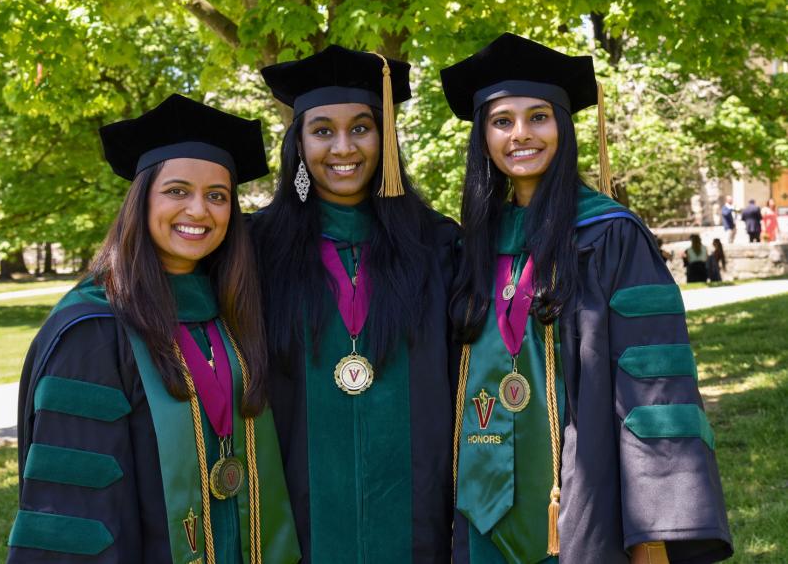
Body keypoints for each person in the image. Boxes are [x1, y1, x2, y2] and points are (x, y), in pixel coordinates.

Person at [441, 33, 732, 564]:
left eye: (539, 118)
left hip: (579, 501)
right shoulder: (470, 245)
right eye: (502, 121)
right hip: (475, 507)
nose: (520, 135)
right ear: (482, 137)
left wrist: (651, 535)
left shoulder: (611, 236)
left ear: (565, 128)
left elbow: (653, 390)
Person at [7, 94, 300, 563]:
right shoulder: (94, 330)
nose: (199, 211)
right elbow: (75, 510)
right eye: (177, 191)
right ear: (142, 200)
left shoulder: (235, 314)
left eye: (217, 196)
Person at [251, 45, 461, 563]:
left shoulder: (438, 246)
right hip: (294, 522)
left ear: (385, 140)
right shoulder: (254, 250)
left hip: (420, 517)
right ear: (298, 143)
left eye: (361, 128)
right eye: (322, 130)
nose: (342, 147)